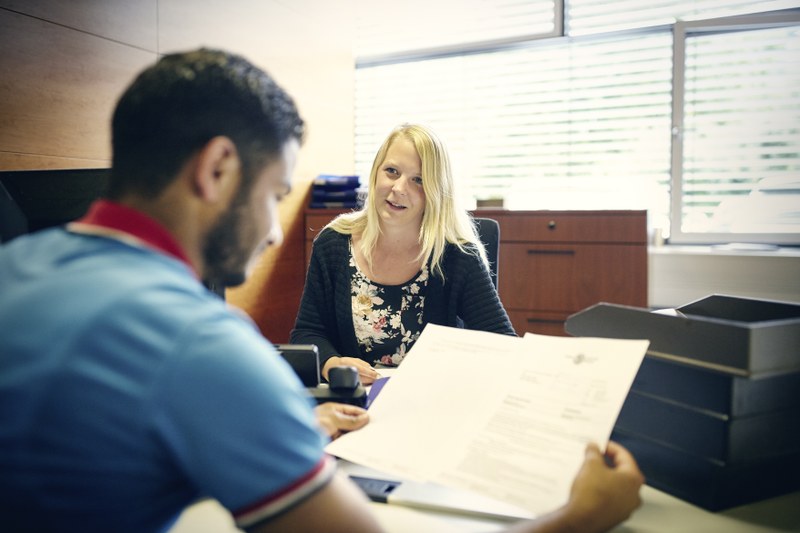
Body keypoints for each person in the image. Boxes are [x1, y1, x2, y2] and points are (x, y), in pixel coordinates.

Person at [0, 49, 644, 533]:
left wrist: (280, 429)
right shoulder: (204, 346)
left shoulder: (14, 268)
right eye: (276, 195)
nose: (275, 237)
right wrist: (580, 518)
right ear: (218, 169)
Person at [291, 124, 516, 385]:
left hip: (432, 400)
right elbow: (308, 333)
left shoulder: (455, 253)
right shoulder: (333, 244)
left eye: (418, 180)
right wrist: (332, 364)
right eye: (391, 171)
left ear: (436, 191)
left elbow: (503, 345)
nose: (398, 188)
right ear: (376, 172)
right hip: (356, 402)